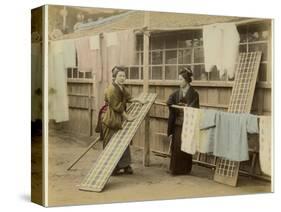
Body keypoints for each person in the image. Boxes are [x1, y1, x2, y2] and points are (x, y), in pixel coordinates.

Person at [101, 66, 146, 175]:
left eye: (124, 76)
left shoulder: (122, 88)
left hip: (120, 118)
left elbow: (129, 98)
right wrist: (127, 117)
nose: (122, 78)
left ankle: (125, 165)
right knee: (111, 143)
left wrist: (138, 100)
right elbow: (117, 107)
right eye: (120, 76)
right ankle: (112, 168)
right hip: (111, 118)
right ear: (115, 77)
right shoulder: (112, 89)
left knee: (123, 141)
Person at [166, 67, 200, 175]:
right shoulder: (177, 93)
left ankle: (185, 169)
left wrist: (184, 107)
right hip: (177, 123)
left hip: (188, 123)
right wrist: (175, 105)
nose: (179, 81)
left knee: (187, 144)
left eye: (181, 79)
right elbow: (169, 101)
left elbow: (194, 108)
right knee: (176, 146)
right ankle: (175, 169)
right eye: (179, 79)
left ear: (186, 80)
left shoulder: (194, 93)